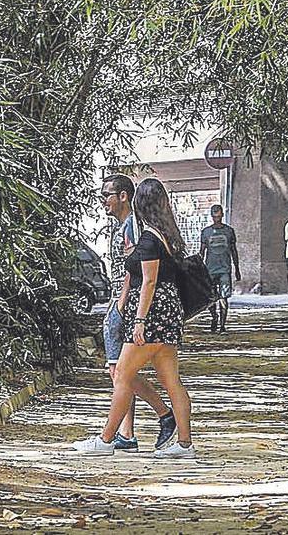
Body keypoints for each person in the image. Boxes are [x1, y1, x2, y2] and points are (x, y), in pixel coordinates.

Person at [74, 178, 196, 459]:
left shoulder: (151, 237)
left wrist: (139, 321)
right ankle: (185, 444)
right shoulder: (165, 234)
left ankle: (106, 440)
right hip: (166, 313)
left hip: (153, 314)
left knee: (123, 376)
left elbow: (150, 281)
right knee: (171, 380)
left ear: (140, 201)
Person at [198, 204, 240, 333]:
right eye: (214, 216)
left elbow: (233, 250)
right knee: (210, 297)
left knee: (224, 297)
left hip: (225, 269)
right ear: (212, 216)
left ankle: (222, 325)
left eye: (219, 215)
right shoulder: (206, 232)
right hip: (210, 269)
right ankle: (214, 317)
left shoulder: (229, 231)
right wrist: (198, 268)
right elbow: (202, 251)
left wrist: (237, 268)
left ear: (222, 215)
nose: (217, 218)